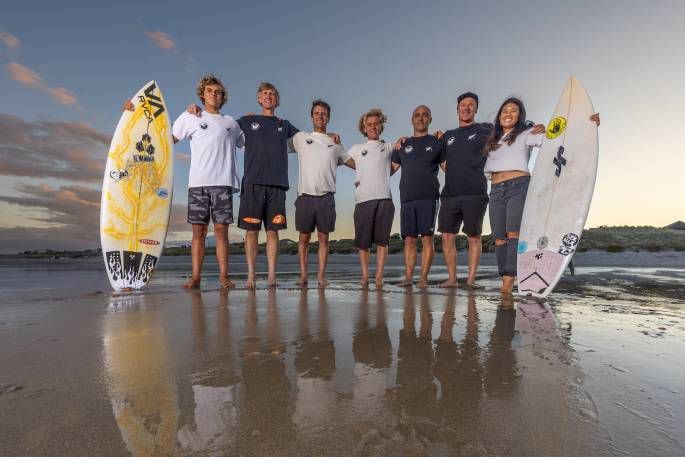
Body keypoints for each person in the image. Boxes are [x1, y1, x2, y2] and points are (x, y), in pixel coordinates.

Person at [126, 74, 243, 289]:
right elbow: (166, 139)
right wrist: (135, 115)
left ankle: (224, 276)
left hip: (223, 183)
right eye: (210, 91)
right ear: (202, 95)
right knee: (198, 232)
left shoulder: (231, 123)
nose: (214, 95)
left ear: (223, 96)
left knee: (221, 232)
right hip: (198, 183)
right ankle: (196, 278)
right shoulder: (190, 117)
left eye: (218, 92)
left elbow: (247, 142)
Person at [483, 97, 600, 294]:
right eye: (505, 110)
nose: (508, 113)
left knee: (513, 235)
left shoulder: (527, 133)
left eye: (514, 111)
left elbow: (556, 140)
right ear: (499, 115)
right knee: (499, 239)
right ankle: (505, 275)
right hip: (495, 190)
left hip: (517, 187)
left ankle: (507, 285)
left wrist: (586, 124)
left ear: (520, 116)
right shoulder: (493, 140)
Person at [290, 100, 353, 287]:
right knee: (303, 238)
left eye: (324, 113)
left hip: (326, 197)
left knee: (324, 238)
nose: (320, 116)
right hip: (305, 196)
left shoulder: (335, 144)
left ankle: (321, 275)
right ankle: (303, 275)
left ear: (328, 117)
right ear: (311, 116)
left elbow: (354, 164)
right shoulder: (301, 138)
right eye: (316, 113)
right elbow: (276, 142)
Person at [436, 92, 493, 289]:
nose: (466, 108)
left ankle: (470, 280)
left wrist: (529, 126)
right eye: (463, 105)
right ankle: (452, 278)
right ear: (457, 108)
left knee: (473, 238)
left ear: (476, 109)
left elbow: (509, 131)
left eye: (471, 105)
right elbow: (442, 162)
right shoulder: (448, 136)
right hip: (450, 193)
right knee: (446, 236)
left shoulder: (485, 129)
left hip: (475, 192)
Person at [391, 105, 442, 288]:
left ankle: (423, 279)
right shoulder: (402, 144)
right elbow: (389, 170)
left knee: (427, 238)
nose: (421, 118)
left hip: (429, 197)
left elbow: (447, 167)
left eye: (425, 115)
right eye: (417, 115)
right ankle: (408, 278)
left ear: (430, 119)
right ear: (412, 119)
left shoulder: (437, 142)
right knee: (409, 240)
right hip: (407, 198)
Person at [347, 108, 397, 287]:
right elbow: (340, 158)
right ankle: (365, 276)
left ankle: (378, 277)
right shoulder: (356, 149)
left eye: (376, 124)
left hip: (384, 198)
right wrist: (361, 176)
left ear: (381, 126)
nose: (373, 127)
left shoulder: (389, 147)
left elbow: (398, 160)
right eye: (369, 124)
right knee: (363, 243)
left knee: (382, 242)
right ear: (364, 127)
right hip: (363, 200)